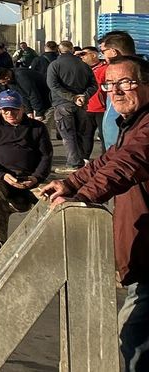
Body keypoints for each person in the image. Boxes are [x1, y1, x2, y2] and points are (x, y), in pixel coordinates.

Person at [37, 54, 149, 370]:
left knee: (133, 338)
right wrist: (70, 185)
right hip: (141, 253)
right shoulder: (134, 123)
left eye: (126, 82)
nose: (116, 91)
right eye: (109, 84)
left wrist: (84, 197)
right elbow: (108, 160)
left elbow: (130, 163)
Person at [0, 89, 51, 259]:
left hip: (30, 177)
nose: (9, 114)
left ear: (22, 108)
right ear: (0, 110)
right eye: (5, 110)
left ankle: (45, 242)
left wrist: (36, 177)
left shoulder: (37, 128)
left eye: (14, 109)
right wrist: (2, 174)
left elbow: (46, 156)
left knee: (53, 197)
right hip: (0, 175)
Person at [48, 39, 99, 167]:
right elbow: (94, 85)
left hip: (63, 104)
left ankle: (74, 163)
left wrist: (72, 97)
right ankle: (81, 160)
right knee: (81, 133)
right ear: (72, 50)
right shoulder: (84, 66)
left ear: (59, 51)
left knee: (68, 135)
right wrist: (84, 96)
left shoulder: (54, 65)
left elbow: (53, 85)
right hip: (81, 104)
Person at [102, 31, 140, 149]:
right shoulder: (114, 70)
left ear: (113, 51)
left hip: (127, 145)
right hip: (115, 145)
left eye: (104, 52)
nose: (115, 90)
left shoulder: (137, 72)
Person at [13, 39, 52, 124]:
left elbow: (31, 94)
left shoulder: (35, 55)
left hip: (38, 82)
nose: (22, 47)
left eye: (23, 46)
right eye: (21, 46)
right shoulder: (19, 52)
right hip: (49, 86)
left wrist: (34, 111)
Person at [83, 45, 110, 150]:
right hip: (87, 106)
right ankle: (84, 159)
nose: (82, 57)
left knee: (104, 135)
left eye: (84, 54)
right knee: (86, 135)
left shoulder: (104, 68)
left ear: (94, 55)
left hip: (101, 108)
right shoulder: (82, 69)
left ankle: (106, 157)